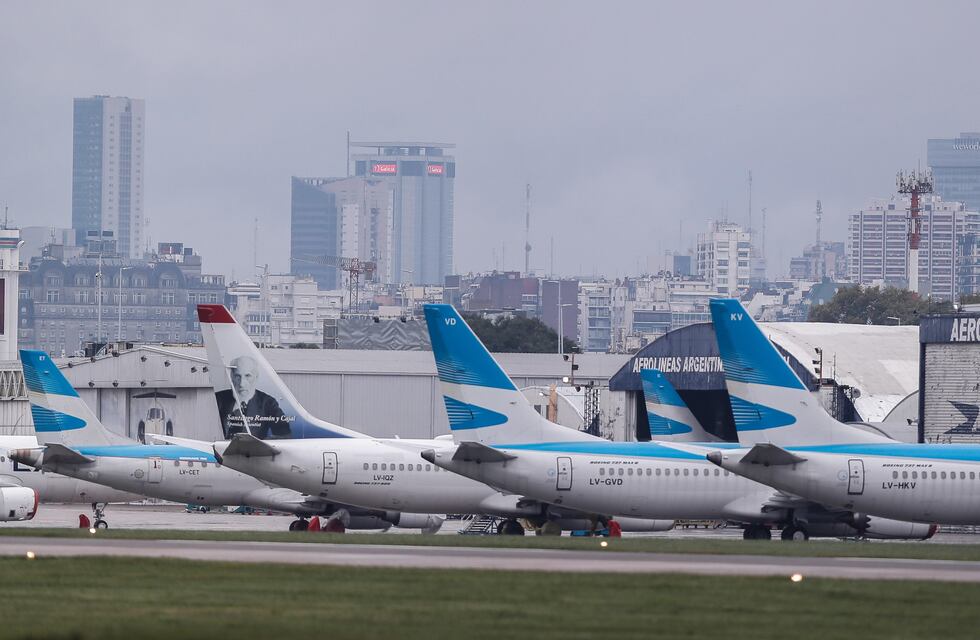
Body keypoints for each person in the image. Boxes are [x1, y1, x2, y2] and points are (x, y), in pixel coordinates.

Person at [214, 355, 290, 439]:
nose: (242, 384)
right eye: (237, 376)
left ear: (256, 377)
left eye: (247, 376)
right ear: (231, 377)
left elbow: (285, 435)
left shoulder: (268, 403)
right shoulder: (219, 399)